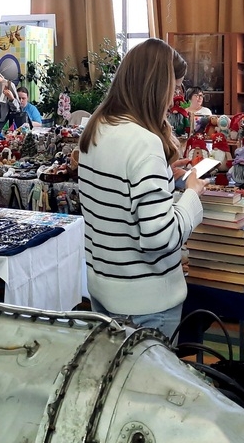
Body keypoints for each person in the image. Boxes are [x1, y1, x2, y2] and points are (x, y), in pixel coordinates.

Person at [77, 38, 206, 339]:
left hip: (104, 287)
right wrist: (191, 195)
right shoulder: (144, 144)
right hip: (147, 301)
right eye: (173, 88)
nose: (173, 100)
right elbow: (159, 238)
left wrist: (164, 175)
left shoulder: (98, 127)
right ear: (156, 87)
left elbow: (117, 198)